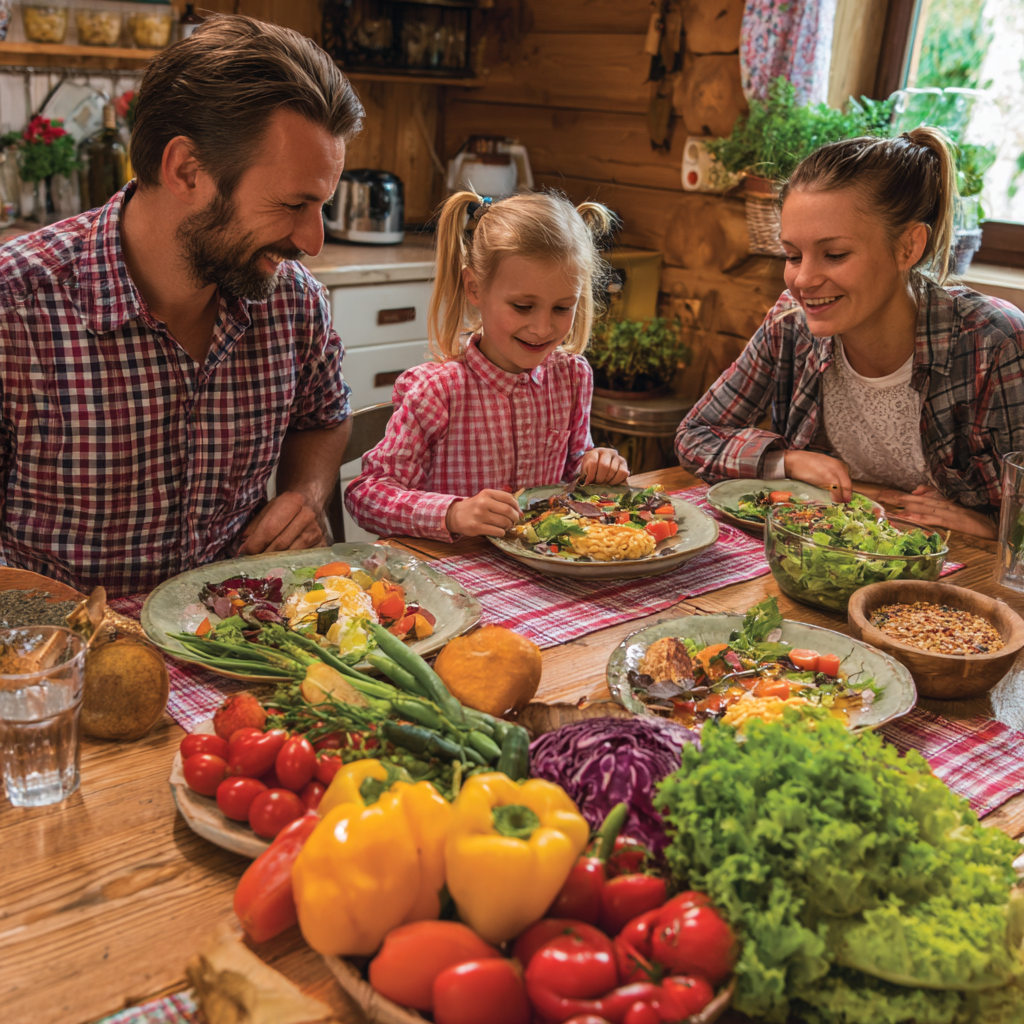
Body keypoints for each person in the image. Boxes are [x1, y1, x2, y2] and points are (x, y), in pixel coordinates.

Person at [0, 16, 363, 595]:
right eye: (293, 204)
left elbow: (324, 419)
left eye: (321, 206)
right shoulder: (15, 309)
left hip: (237, 627)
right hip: (64, 638)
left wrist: (305, 494)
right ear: (186, 170)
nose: (313, 241)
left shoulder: (294, 302)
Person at [675, 127, 1024, 539]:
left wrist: (996, 527)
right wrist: (785, 461)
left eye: (835, 254)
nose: (803, 280)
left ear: (908, 247)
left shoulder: (994, 342)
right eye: (793, 255)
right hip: (826, 549)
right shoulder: (790, 323)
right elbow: (695, 436)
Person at [345, 190, 629, 541]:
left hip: (541, 564)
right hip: (453, 567)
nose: (542, 328)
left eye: (562, 308)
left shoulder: (571, 377)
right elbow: (366, 495)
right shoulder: (438, 392)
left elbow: (573, 472)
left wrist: (595, 464)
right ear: (475, 288)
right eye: (523, 307)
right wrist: (452, 513)